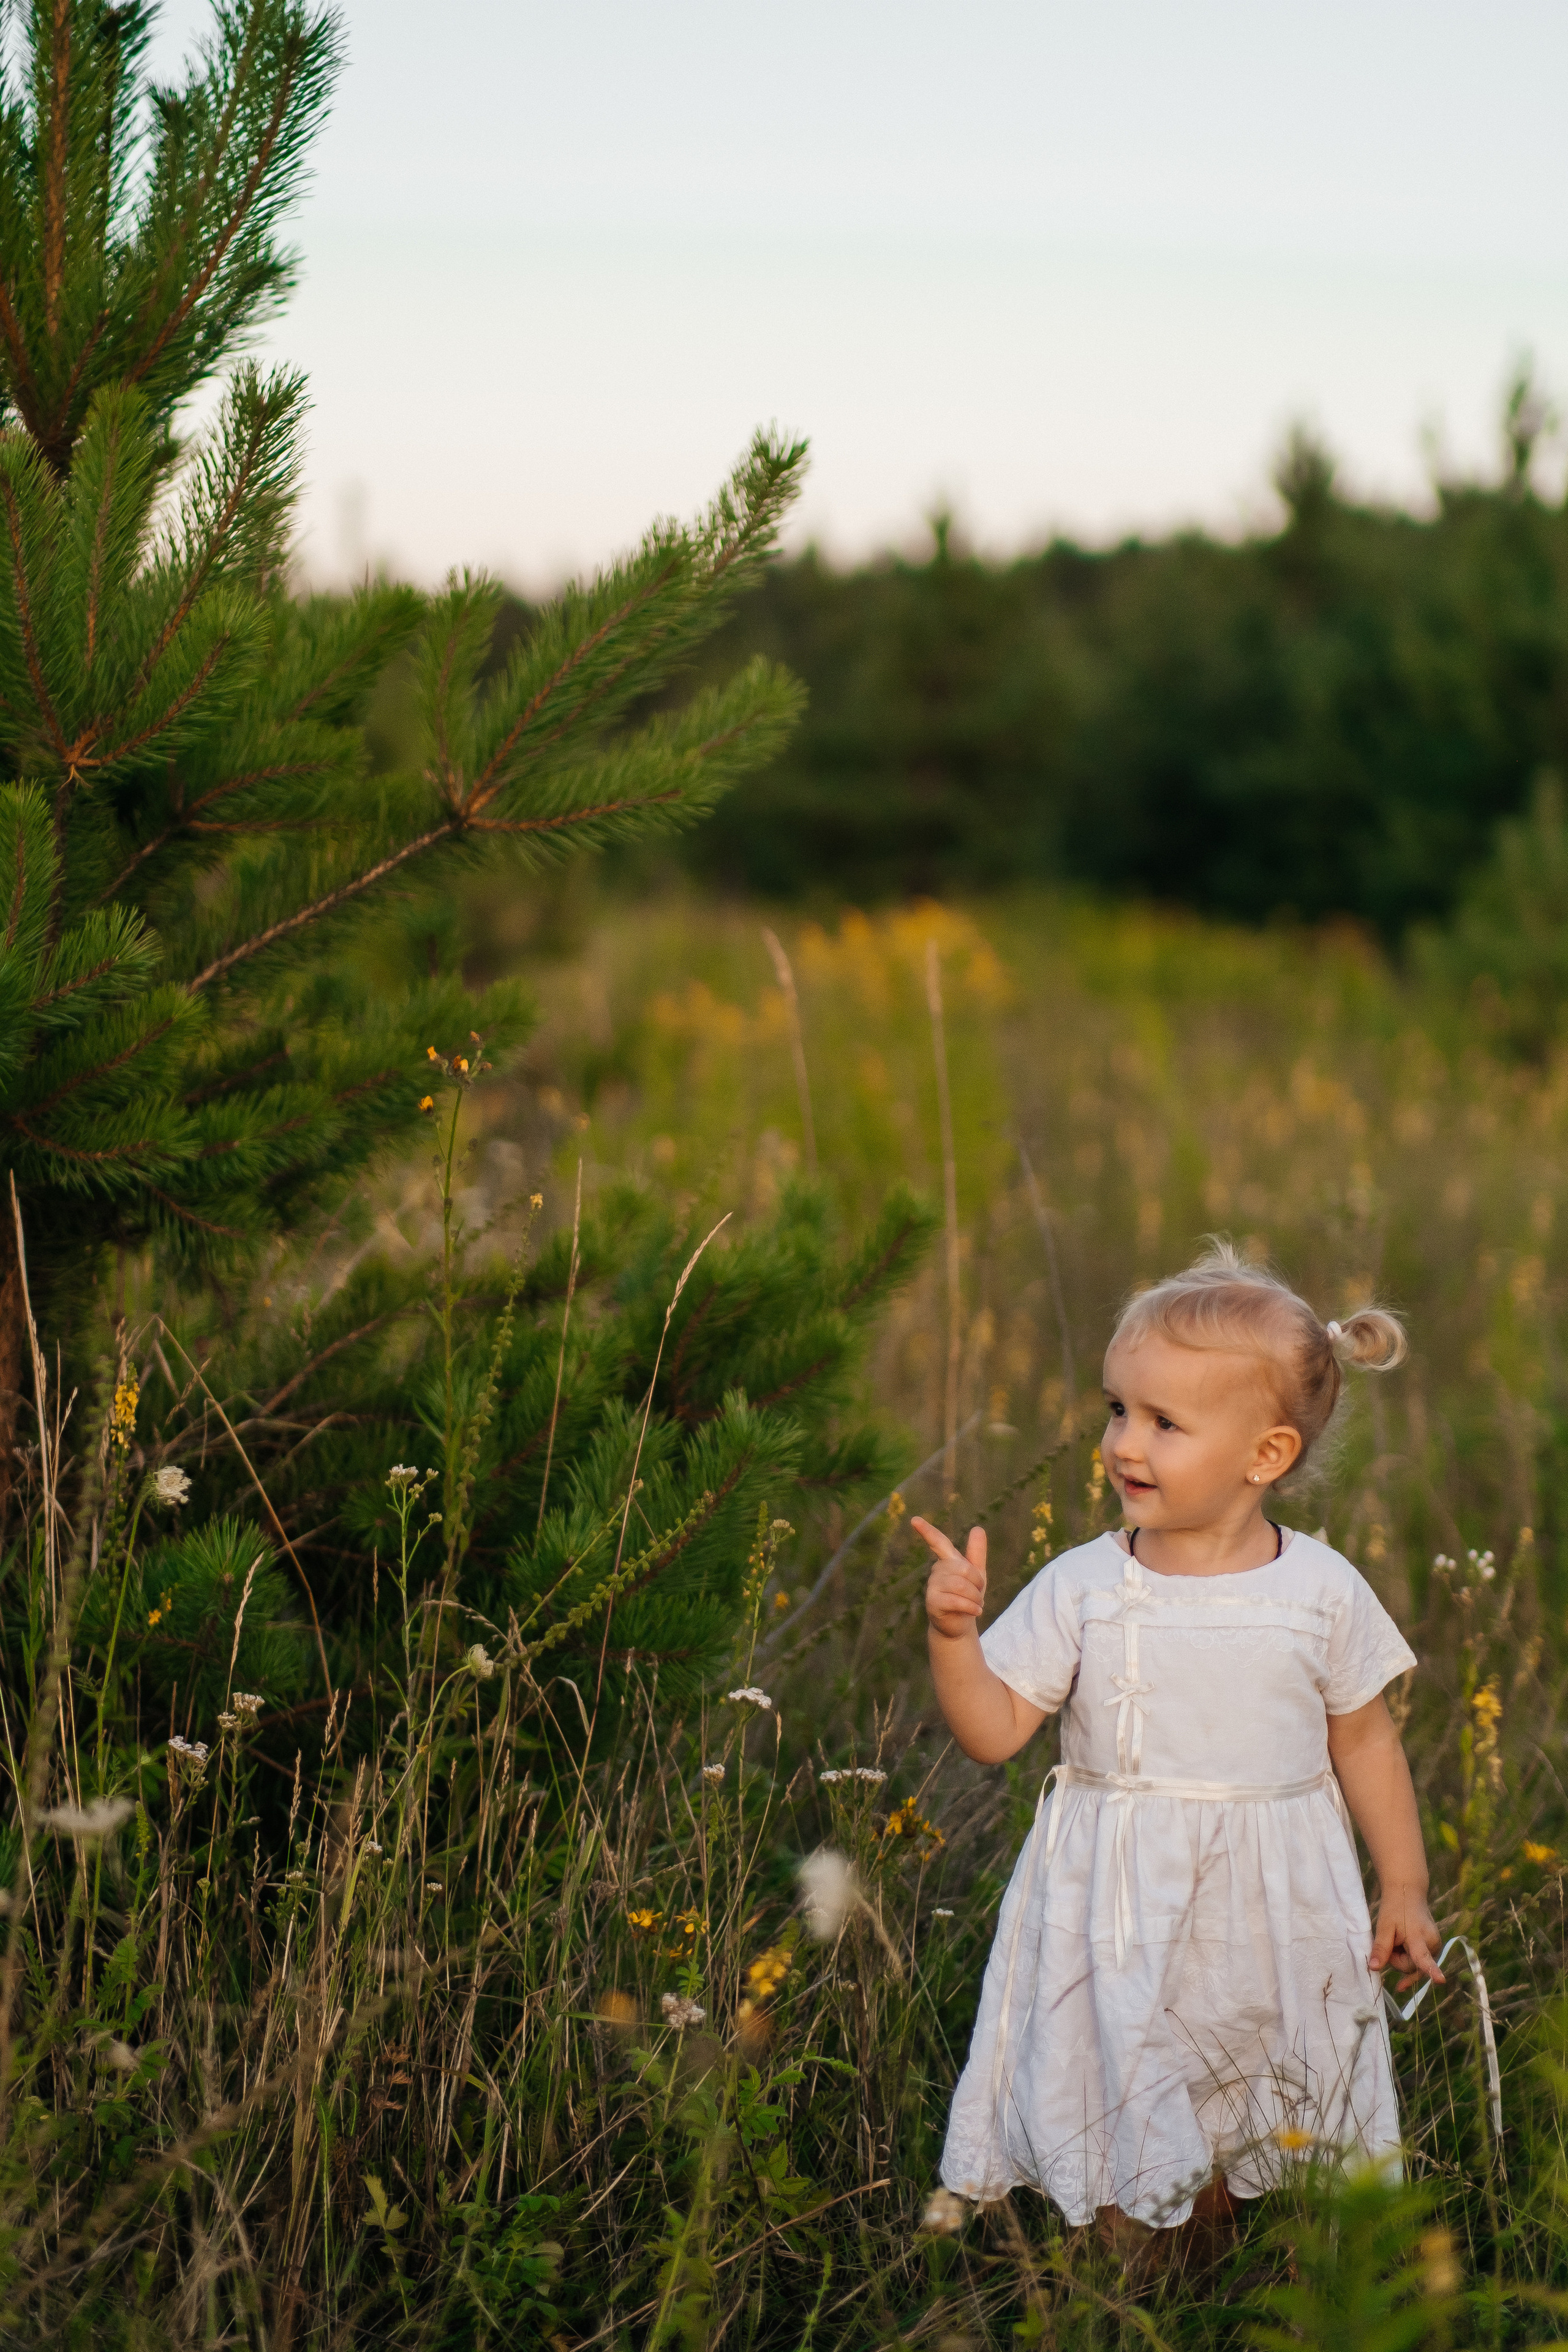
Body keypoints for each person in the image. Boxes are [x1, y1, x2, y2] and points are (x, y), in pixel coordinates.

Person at [913, 1240, 1439, 2245]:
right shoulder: (1084, 1585)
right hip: (1123, 1913)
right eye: (1117, 1410)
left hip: (1274, 1911)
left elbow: (1367, 1743)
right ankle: (1131, 2280)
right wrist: (954, 1637)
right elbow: (992, 1731)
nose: (1123, 1443)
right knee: (1129, 2095)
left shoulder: (1320, 1590)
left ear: (1265, 1456)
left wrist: (1404, 1887)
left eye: (1163, 1422)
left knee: (1267, 2085)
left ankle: (1254, 2262)